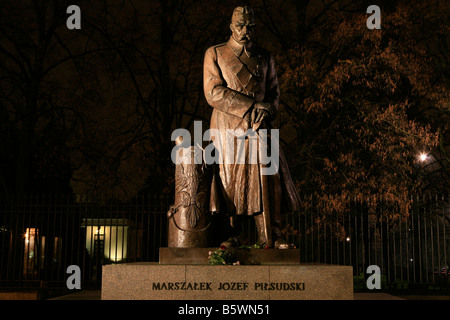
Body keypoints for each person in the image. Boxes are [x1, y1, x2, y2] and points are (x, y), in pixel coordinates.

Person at [203, 6, 301, 248]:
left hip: (260, 126)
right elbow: (213, 92)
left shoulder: (265, 56)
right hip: (227, 126)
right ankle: (230, 235)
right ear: (230, 26)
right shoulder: (215, 53)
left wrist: (268, 108)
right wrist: (250, 106)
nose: (245, 30)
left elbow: (275, 92)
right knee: (230, 181)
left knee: (267, 179)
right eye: (240, 25)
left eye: (250, 26)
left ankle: (271, 236)